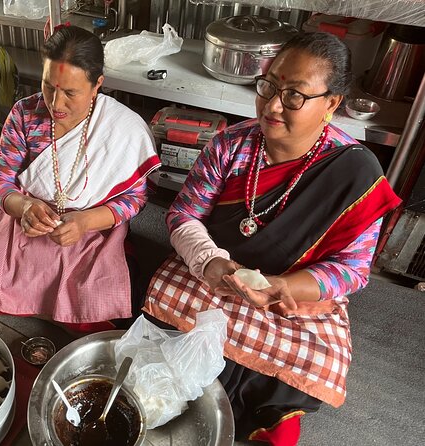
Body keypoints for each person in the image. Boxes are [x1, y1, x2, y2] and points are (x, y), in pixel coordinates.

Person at [143, 32, 401, 445]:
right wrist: (209, 260)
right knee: (161, 330)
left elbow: (352, 270)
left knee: (301, 372)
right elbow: (184, 214)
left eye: (295, 95)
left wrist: (284, 286)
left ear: (331, 104)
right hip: (218, 270)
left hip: (294, 292)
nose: (273, 105)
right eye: (269, 87)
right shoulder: (231, 146)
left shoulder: (356, 172)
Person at [0, 25, 160, 326]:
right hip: (28, 221)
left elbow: (136, 199)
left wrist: (85, 221)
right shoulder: (24, 114)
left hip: (93, 228)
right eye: (49, 86)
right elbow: (0, 181)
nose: (56, 103)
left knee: (116, 298)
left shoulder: (122, 128)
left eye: (71, 93)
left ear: (97, 84)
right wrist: (24, 208)